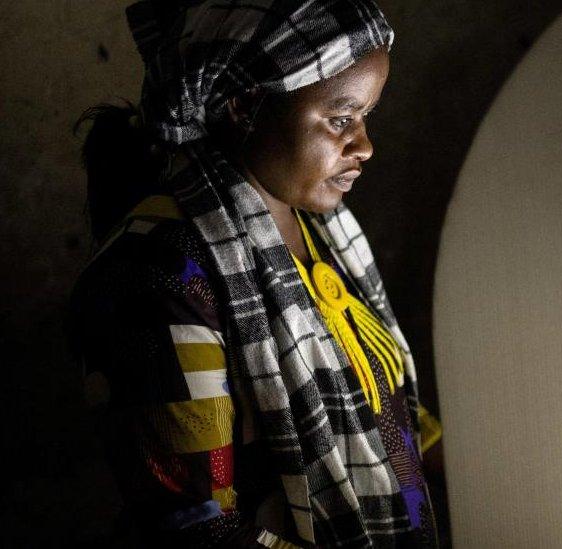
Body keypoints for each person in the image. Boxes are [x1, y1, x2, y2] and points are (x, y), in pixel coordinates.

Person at [69, 1, 440, 547]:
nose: (364, 146)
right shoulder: (164, 272)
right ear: (244, 104)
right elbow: (199, 529)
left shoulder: (321, 231)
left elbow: (390, 417)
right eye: (340, 120)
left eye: (367, 117)